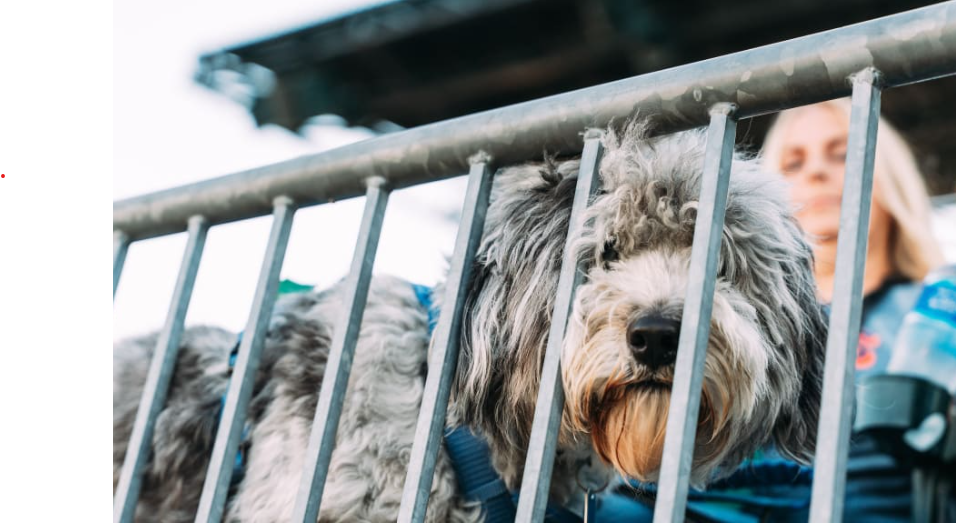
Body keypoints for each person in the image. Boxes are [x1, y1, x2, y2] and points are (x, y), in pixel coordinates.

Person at [759, 98, 947, 521]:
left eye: (842, 155)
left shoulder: (938, 309)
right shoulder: (744, 325)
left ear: (888, 177)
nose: (816, 172)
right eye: (793, 164)